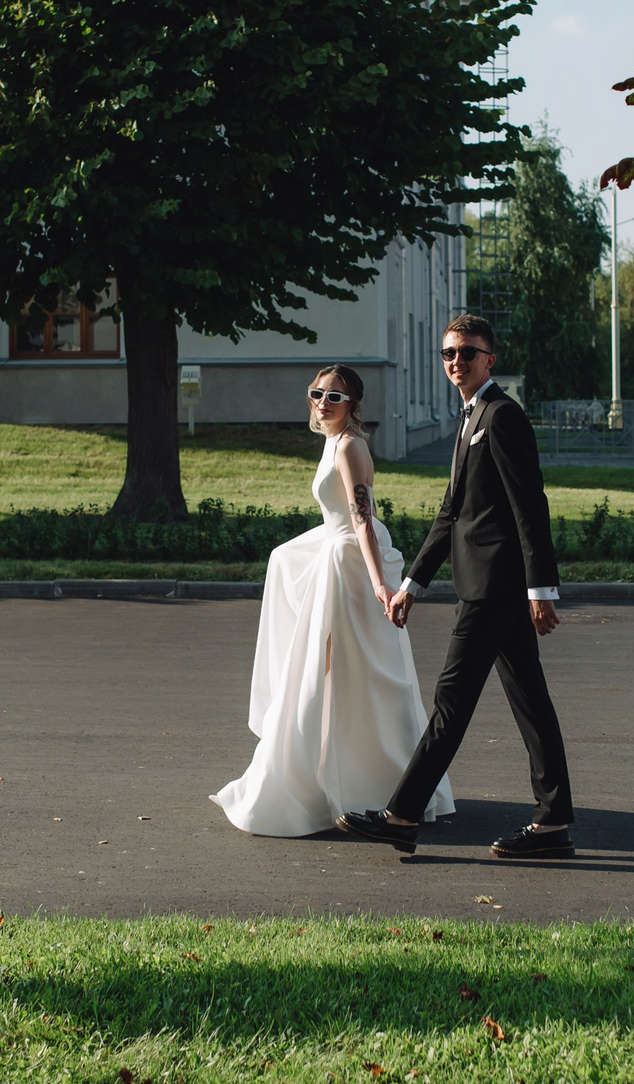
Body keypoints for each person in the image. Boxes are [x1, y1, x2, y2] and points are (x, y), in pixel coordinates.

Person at [338, 315, 575, 860]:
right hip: (485, 586)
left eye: (467, 352)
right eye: (448, 353)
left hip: (496, 589)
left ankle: (401, 816)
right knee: (531, 703)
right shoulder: (470, 418)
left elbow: (529, 506)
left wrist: (542, 589)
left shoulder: (502, 415)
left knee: (451, 703)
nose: (456, 361)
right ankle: (554, 823)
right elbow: (452, 512)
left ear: (490, 360)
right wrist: (414, 583)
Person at [210, 365, 453, 836]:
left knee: (358, 676)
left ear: (354, 405)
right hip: (337, 559)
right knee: (331, 676)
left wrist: (381, 583)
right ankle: (340, 782)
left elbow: (362, 518)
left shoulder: (349, 446)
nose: (324, 402)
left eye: (335, 397)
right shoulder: (333, 441)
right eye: (317, 393)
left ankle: (380, 786)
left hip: (352, 570)